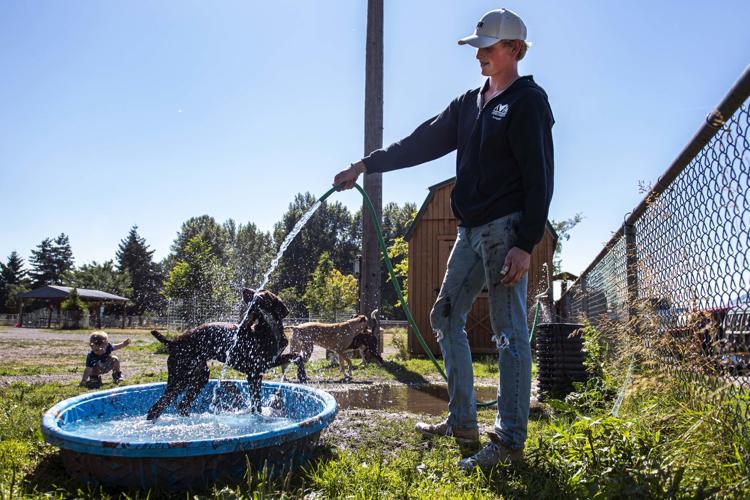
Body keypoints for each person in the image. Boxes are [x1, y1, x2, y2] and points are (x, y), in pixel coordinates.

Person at [333, 8, 553, 472]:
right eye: (478, 48)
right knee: (444, 314)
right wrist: (365, 165)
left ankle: (509, 442)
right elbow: (421, 141)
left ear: (515, 49)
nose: (480, 56)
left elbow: (540, 177)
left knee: (509, 333)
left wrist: (526, 241)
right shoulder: (469, 104)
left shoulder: (528, 102)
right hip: (469, 231)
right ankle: (463, 421)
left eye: (488, 48)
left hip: (506, 230)